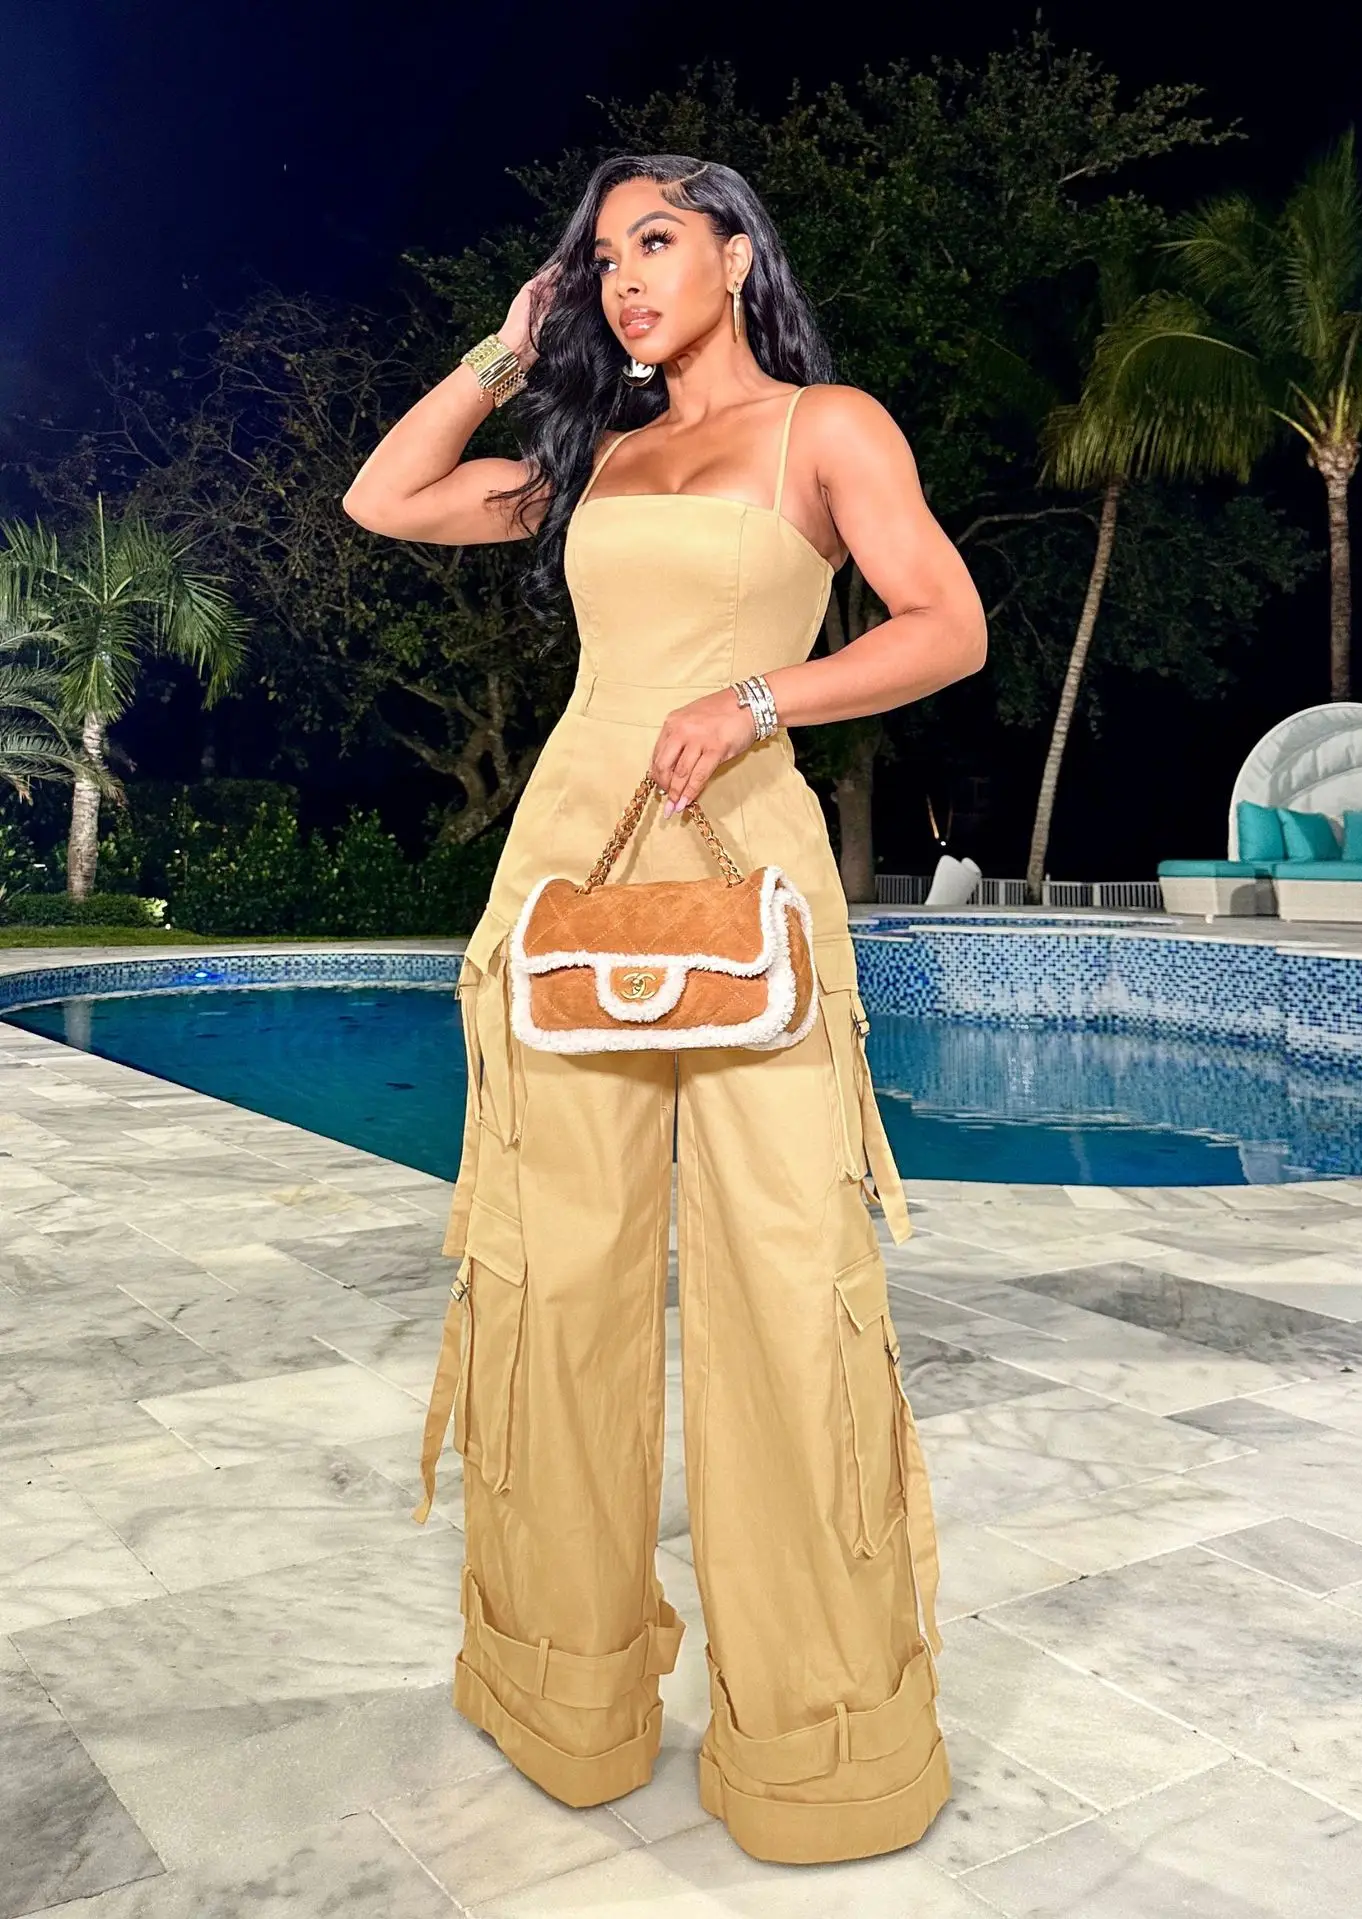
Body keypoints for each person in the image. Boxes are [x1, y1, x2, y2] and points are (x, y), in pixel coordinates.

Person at [343, 152, 987, 1867]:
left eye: (657, 240)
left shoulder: (825, 428)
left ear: (737, 256)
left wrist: (761, 696)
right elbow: (384, 500)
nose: (625, 274)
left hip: (747, 865)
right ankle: (566, 1695)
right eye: (601, 254)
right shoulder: (594, 456)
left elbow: (948, 624)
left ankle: (822, 1748)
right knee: (559, 1281)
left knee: (787, 1283)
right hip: (573, 866)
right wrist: (505, 353)